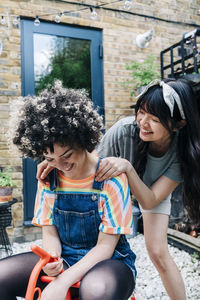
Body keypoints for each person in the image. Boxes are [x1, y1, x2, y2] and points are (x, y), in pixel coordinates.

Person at [37, 78, 200, 300]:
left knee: (158, 253)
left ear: (178, 124)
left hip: (151, 192)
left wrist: (128, 169)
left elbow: (149, 201)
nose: (143, 122)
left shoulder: (182, 153)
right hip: (114, 185)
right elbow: (90, 161)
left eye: (154, 119)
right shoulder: (124, 130)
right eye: (141, 112)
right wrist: (57, 161)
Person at [0, 81, 136, 300]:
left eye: (67, 156)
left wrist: (63, 281)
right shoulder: (48, 176)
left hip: (109, 261)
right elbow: (50, 232)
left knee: (95, 291)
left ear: (83, 140)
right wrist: (52, 259)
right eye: (50, 158)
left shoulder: (111, 177)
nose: (60, 165)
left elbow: (105, 248)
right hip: (66, 256)